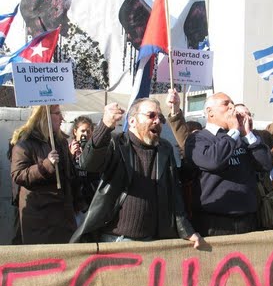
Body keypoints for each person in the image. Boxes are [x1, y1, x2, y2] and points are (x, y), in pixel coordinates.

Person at [69, 98, 201, 248]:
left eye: (160, 117)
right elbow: (89, 163)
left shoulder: (165, 149)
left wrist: (186, 230)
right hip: (117, 241)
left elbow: (174, 195)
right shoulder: (116, 143)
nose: (157, 121)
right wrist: (104, 127)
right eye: (151, 115)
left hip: (153, 241)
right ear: (132, 121)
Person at [184, 92, 273, 236]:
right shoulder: (198, 139)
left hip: (247, 219)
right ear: (210, 112)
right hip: (214, 222)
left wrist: (248, 135)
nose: (232, 107)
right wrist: (233, 132)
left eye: (232, 103)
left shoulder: (241, 137)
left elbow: (266, 165)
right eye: (226, 104)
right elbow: (213, 161)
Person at [10, 105, 80, 244]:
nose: (62, 118)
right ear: (44, 117)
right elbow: (18, 175)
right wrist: (46, 165)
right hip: (40, 219)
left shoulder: (60, 141)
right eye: (57, 113)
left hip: (63, 217)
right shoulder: (25, 143)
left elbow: (68, 177)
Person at [69, 116, 99, 211]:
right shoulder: (67, 148)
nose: (85, 134)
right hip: (73, 197)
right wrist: (70, 156)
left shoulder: (95, 150)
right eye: (82, 131)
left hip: (90, 197)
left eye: (88, 131)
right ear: (75, 131)